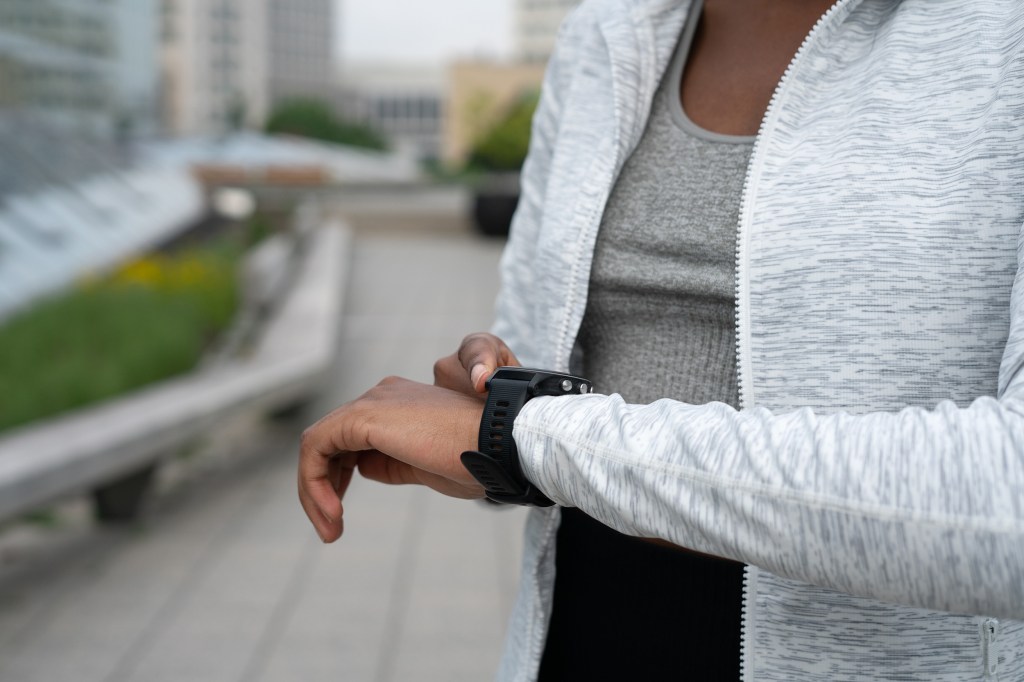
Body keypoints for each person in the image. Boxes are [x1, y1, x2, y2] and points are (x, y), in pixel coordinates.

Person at [298, 0, 1024, 679]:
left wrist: (528, 435)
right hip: (576, 635)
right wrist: (492, 413)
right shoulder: (608, 29)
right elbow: (536, 410)